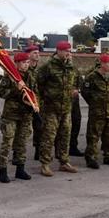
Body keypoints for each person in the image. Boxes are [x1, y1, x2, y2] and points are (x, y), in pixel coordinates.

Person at [36, 41, 79, 176]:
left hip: (66, 107)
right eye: (66, 51)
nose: (68, 53)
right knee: (49, 137)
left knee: (65, 135)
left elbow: (75, 82)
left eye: (69, 51)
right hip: (50, 108)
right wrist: (44, 101)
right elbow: (39, 86)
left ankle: (64, 162)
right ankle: (45, 164)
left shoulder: (70, 66)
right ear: (58, 51)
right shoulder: (47, 67)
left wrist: (74, 90)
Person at [0, 52, 36, 182]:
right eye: (24, 62)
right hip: (11, 115)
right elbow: (2, 93)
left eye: (27, 62)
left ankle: (20, 169)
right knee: (7, 142)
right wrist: (16, 90)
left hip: (25, 114)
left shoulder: (30, 76)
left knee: (22, 143)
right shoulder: (10, 76)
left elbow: (35, 93)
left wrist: (34, 104)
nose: (26, 65)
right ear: (17, 63)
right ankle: (2, 170)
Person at [81, 53, 109, 168]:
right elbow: (85, 92)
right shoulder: (92, 76)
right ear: (102, 64)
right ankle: (91, 158)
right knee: (93, 136)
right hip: (97, 112)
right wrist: (94, 103)